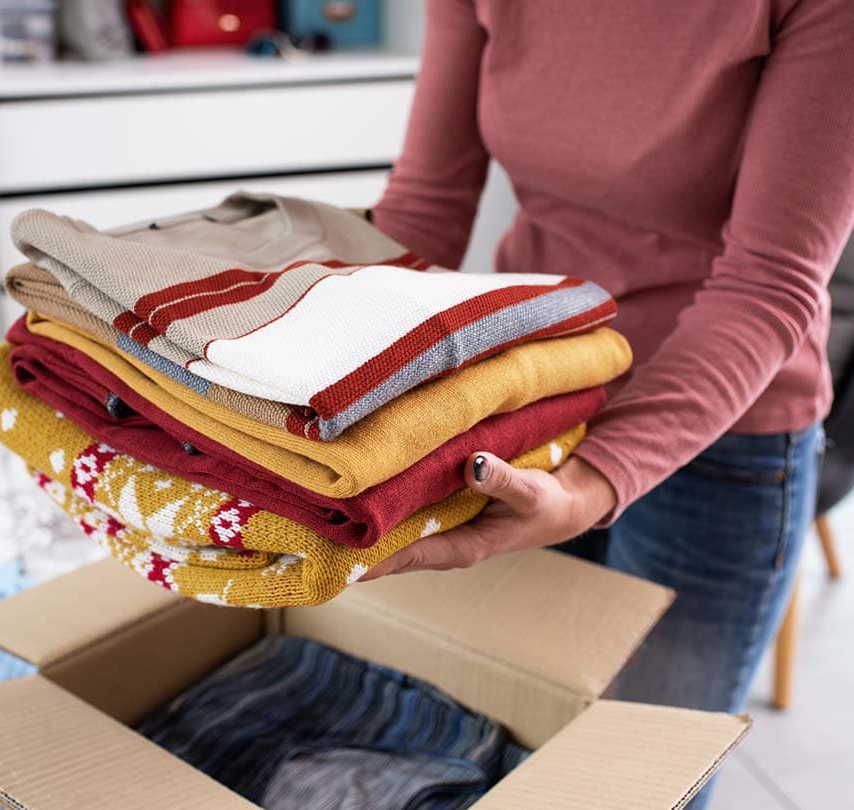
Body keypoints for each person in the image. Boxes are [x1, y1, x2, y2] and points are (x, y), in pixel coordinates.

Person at [361, 2, 854, 805]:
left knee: (630, 780)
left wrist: (595, 485)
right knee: (506, 743)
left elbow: (769, 283)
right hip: (536, 396)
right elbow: (424, 206)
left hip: (721, 435)